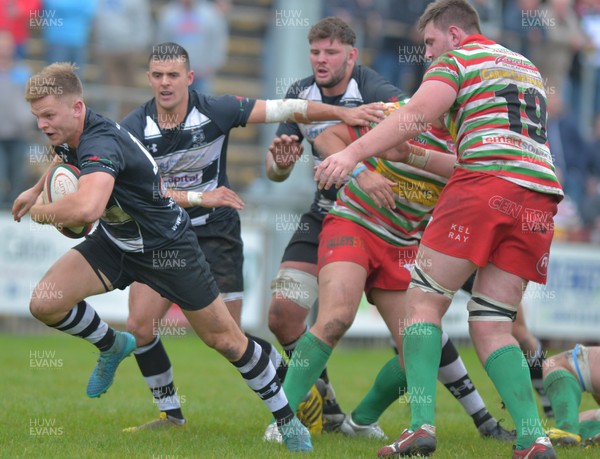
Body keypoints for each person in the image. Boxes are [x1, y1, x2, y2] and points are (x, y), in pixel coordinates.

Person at [9, 62, 355, 453]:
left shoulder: (101, 142)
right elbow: (61, 156)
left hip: (167, 248)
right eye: (38, 118)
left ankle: (288, 422)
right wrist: (35, 187)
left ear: (77, 108)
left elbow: (87, 209)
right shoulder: (69, 130)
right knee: (45, 303)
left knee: (226, 340)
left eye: (49, 116)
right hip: (118, 243)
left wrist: (40, 210)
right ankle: (112, 346)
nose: (42, 125)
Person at [315, 1, 563, 457]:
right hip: (540, 195)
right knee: (493, 323)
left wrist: (351, 155)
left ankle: (420, 425)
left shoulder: (458, 59)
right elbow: (486, 149)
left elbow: (413, 117)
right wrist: (412, 157)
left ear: (454, 33)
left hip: (482, 188)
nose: (427, 53)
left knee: (422, 305)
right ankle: (533, 436)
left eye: (429, 42)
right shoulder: (524, 66)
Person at [118, 42, 384, 432]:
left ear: (189, 78)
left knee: (228, 338)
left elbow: (288, 108)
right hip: (164, 237)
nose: (164, 83)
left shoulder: (216, 110)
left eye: (173, 75)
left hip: (215, 235)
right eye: (157, 75)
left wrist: (342, 112)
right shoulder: (134, 128)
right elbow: (123, 178)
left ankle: (297, 383)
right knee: (140, 326)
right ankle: (171, 415)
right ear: (149, 78)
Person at [271, 100, 514, 449]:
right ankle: (284, 421)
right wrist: (361, 172)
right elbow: (326, 138)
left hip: (403, 245)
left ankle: (361, 421)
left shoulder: (472, 143)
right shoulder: (397, 112)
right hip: (353, 223)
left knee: (416, 347)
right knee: (336, 318)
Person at [265, 16, 402, 435]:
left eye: (331, 52)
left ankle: (483, 419)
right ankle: (326, 406)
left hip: (381, 223)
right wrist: (281, 165)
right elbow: (274, 170)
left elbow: (411, 133)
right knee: (283, 313)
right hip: (324, 214)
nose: (321, 60)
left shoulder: (376, 89)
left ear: (352, 55)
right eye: (315, 52)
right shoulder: (299, 94)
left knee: (418, 335)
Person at [156, 0, 229, 95]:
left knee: (203, 106)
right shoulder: (168, 14)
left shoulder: (211, 14)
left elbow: (218, 41)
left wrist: (213, 64)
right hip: (175, 74)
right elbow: (162, 42)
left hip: (202, 73)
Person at [543, 345, 600, 447]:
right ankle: (568, 430)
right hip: (572, 366)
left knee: (551, 365)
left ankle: (567, 429)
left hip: (564, 366)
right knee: (578, 421)